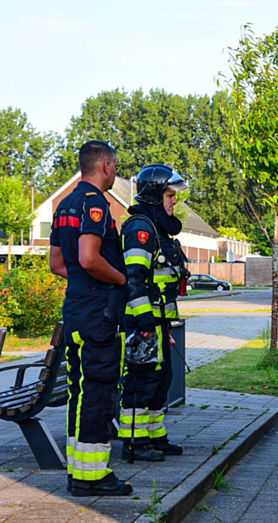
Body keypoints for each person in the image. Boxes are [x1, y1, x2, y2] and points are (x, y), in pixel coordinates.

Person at [49, 141, 133, 497]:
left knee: (79, 390)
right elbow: (89, 258)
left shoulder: (65, 204)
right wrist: (121, 280)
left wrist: (85, 284)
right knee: (98, 389)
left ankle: (79, 470)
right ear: (106, 166)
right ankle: (92, 476)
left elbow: (57, 264)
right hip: (99, 313)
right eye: (115, 167)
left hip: (76, 307)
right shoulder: (95, 204)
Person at [118, 164, 190, 460]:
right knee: (142, 380)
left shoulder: (158, 229)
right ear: (155, 195)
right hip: (142, 322)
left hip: (158, 322)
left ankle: (156, 437)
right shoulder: (141, 229)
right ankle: (134, 443)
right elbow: (133, 278)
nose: (175, 200)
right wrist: (145, 320)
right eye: (170, 195)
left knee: (161, 379)